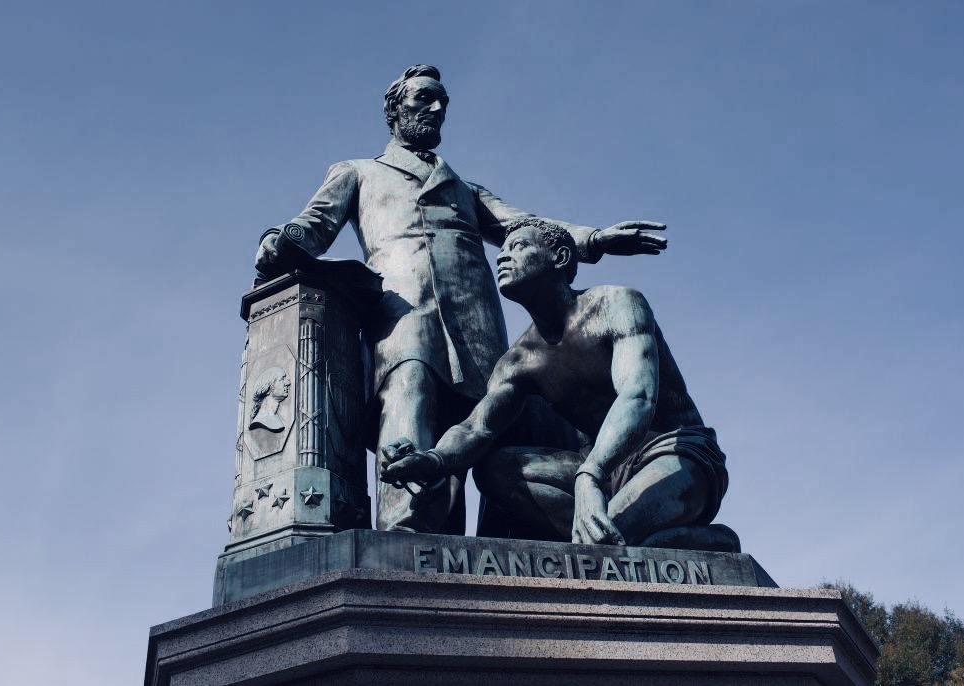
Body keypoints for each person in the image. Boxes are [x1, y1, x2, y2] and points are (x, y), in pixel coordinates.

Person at [255, 64, 667, 535]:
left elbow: (525, 225)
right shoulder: (358, 173)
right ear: (394, 110)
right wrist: (277, 241)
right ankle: (406, 533)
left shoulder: (465, 190)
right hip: (404, 320)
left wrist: (592, 239)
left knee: (496, 429)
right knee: (410, 407)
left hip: (479, 328)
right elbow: (313, 226)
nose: (436, 109)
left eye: (442, 103)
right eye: (423, 99)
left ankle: (506, 547)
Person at [379, 217, 739, 551]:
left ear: (560, 257)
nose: (503, 256)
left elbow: (638, 396)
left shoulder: (617, 303)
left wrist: (590, 474)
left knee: (605, 540)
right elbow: (477, 429)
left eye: (519, 246)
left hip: (674, 453)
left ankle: (705, 542)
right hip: (604, 470)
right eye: (502, 249)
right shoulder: (519, 359)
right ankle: (634, 535)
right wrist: (433, 460)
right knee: (495, 470)